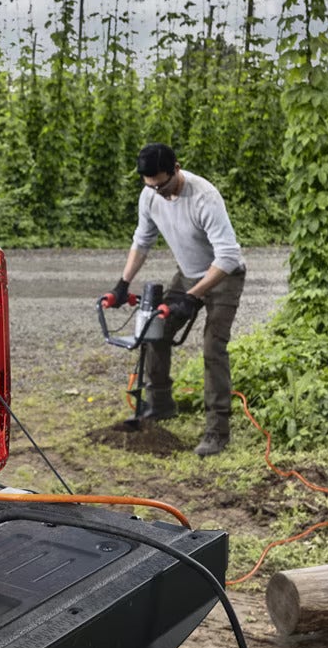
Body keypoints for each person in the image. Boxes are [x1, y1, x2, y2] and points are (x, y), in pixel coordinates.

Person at [101, 142, 246, 457]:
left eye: (163, 186)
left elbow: (228, 257)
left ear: (176, 169)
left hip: (223, 276)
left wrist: (193, 297)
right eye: (151, 187)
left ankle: (217, 431)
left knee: (213, 349)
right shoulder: (151, 195)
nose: (159, 193)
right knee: (155, 331)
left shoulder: (204, 197)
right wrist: (123, 284)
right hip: (189, 273)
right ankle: (162, 405)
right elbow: (143, 240)